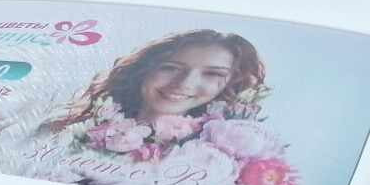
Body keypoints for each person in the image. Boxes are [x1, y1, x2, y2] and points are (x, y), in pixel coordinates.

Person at [42, 29, 266, 133]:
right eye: (171, 68)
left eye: (212, 74)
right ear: (145, 69)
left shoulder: (227, 158)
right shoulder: (66, 128)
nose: (185, 83)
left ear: (230, 83)